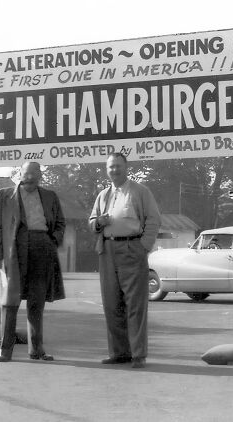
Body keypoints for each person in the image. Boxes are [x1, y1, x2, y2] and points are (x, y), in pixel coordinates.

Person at [89, 153, 161, 369]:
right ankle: (119, 353)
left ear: (126, 168)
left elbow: (154, 219)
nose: (114, 171)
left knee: (135, 305)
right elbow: (91, 221)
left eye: (118, 167)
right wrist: (98, 223)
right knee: (112, 303)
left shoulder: (140, 191)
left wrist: (143, 246)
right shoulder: (103, 195)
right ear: (106, 169)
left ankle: (138, 355)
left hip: (132, 248)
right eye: (111, 167)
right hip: (107, 249)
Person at [0, 161, 66, 362]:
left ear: (40, 174)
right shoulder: (3, 196)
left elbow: (60, 223)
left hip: (42, 247)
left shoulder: (50, 196)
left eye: (34, 173)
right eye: (26, 173)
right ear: (19, 174)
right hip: (14, 250)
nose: (29, 177)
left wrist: (52, 240)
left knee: (37, 302)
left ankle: (37, 350)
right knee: (10, 302)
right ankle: (5, 351)